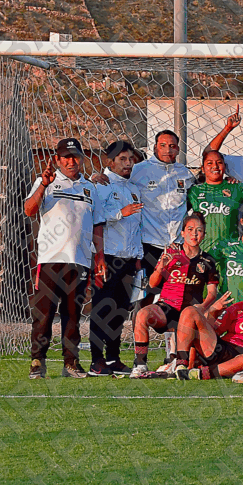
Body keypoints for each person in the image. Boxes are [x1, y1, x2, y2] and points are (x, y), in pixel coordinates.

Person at [23, 138, 106, 379]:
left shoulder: (90, 188)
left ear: (81, 158)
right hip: (50, 259)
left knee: (73, 314)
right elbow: (29, 210)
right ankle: (37, 362)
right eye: (66, 157)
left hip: (79, 260)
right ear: (57, 159)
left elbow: (98, 224)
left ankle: (71, 363)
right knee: (44, 314)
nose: (71, 161)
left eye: (75, 156)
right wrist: (42, 187)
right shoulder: (46, 181)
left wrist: (99, 257)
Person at [131, 213, 219, 378]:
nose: (194, 234)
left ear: (204, 235)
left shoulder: (208, 261)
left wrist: (202, 307)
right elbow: (152, 283)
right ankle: (140, 364)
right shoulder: (171, 253)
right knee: (142, 314)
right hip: (167, 307)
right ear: (183, 233)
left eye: (199, 230)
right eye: (190, 229)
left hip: (189, 313)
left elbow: (212, 293)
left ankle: (178, 363)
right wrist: (160, 268)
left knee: (192, 364)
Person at [88, 141, 145, 377]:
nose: (128, 163)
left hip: (129, 258)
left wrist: (139, 257)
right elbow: (95, 218)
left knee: (121, 310)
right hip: (107, 258)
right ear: (110, 161)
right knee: (102, 308)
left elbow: (137, 226)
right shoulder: (100, 185)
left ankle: (113, 358)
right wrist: (121, 212)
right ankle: (96, 360)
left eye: (131, 159)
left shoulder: (133, 188)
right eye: (122, 159)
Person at [171, 270, 243, 379]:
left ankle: (203, 373)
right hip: (222, 350)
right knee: (189, 311)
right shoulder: (235, 308)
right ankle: (181, 365)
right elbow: (210, 332)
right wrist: (212, 312)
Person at [128, 129, 195, 307]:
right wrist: (99, 175)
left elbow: (193, 202)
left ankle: (173, 335)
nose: (168, 150)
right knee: (143, 298)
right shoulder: (139, 170)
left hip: (177, 246)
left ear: (178, 149)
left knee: (176, 296)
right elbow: (117, 180)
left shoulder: (185, 174)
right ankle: (139, 334)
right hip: (149, 245)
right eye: (163, 146)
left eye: (172, 146)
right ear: (155, 147)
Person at [187, 149, 243, 252]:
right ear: (203, 169)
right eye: (210, 163)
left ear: (225, 167)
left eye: (219, 163)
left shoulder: (235, 187)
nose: (215, 166)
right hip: (203, 251)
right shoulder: (194, 191)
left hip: (230, 252)